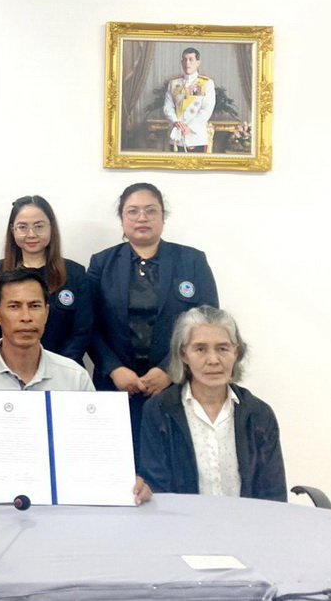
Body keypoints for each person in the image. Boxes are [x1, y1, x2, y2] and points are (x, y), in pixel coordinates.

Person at [0, 268, 151, 505]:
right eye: (14, 306)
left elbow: (98, 455)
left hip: (64, 506)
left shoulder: (74, 377)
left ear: (47, 313)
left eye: (35, 306)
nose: (26, 317)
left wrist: (126, 481)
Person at [88, 182, 218, 462]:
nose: (142, 218)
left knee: (173, 464)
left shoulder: (192, 260)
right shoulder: (102, 263)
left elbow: (208, 324)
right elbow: (90, 324)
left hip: (177, 385)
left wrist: (170, 370)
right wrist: (114, 369)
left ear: (163, 217)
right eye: (132, 211)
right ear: (122, 219)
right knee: (119, 464)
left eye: (150, 211)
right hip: (117, 386)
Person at [140, 306, 286, 501]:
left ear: (236, 352)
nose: (213, 360)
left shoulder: (259, 414)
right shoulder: (159, 410)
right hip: (183, 520)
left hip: (246, 520)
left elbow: (273, 496)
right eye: (200, 349)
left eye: (223, 348)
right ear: (184, 354)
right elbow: (158, 490)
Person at [0, 195, 92, 364]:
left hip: (65, 370)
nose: (31, 234)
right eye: (22, 227)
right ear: (12, 230)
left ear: (51, 227)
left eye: (39, 226)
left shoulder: (75, 273)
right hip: (8, 369)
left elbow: (82, 331)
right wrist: (13, 365)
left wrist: (59, 367)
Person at [163, 47, 216, 152]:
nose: (187, 63)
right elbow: (167, 107)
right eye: (185, 59)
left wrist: (189, 128)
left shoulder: (206, 83)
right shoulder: (174, 83)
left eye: (191, 59)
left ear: (198, 63)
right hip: (177, 135)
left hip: (196, 137)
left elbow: (206, 109)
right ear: (181, 62)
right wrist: (176, 122)